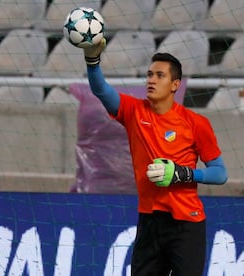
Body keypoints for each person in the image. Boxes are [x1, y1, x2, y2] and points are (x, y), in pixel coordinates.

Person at [83, 40, 228, 275]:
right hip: (150, 221)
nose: (151, 80)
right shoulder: (134, 111)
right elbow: (101, 90)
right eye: (149, 74)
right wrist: (92, 60)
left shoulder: (196, 123)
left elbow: (220, 173)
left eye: (160, 75)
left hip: (186, 224)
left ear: (175, 85)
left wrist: (183, 173)